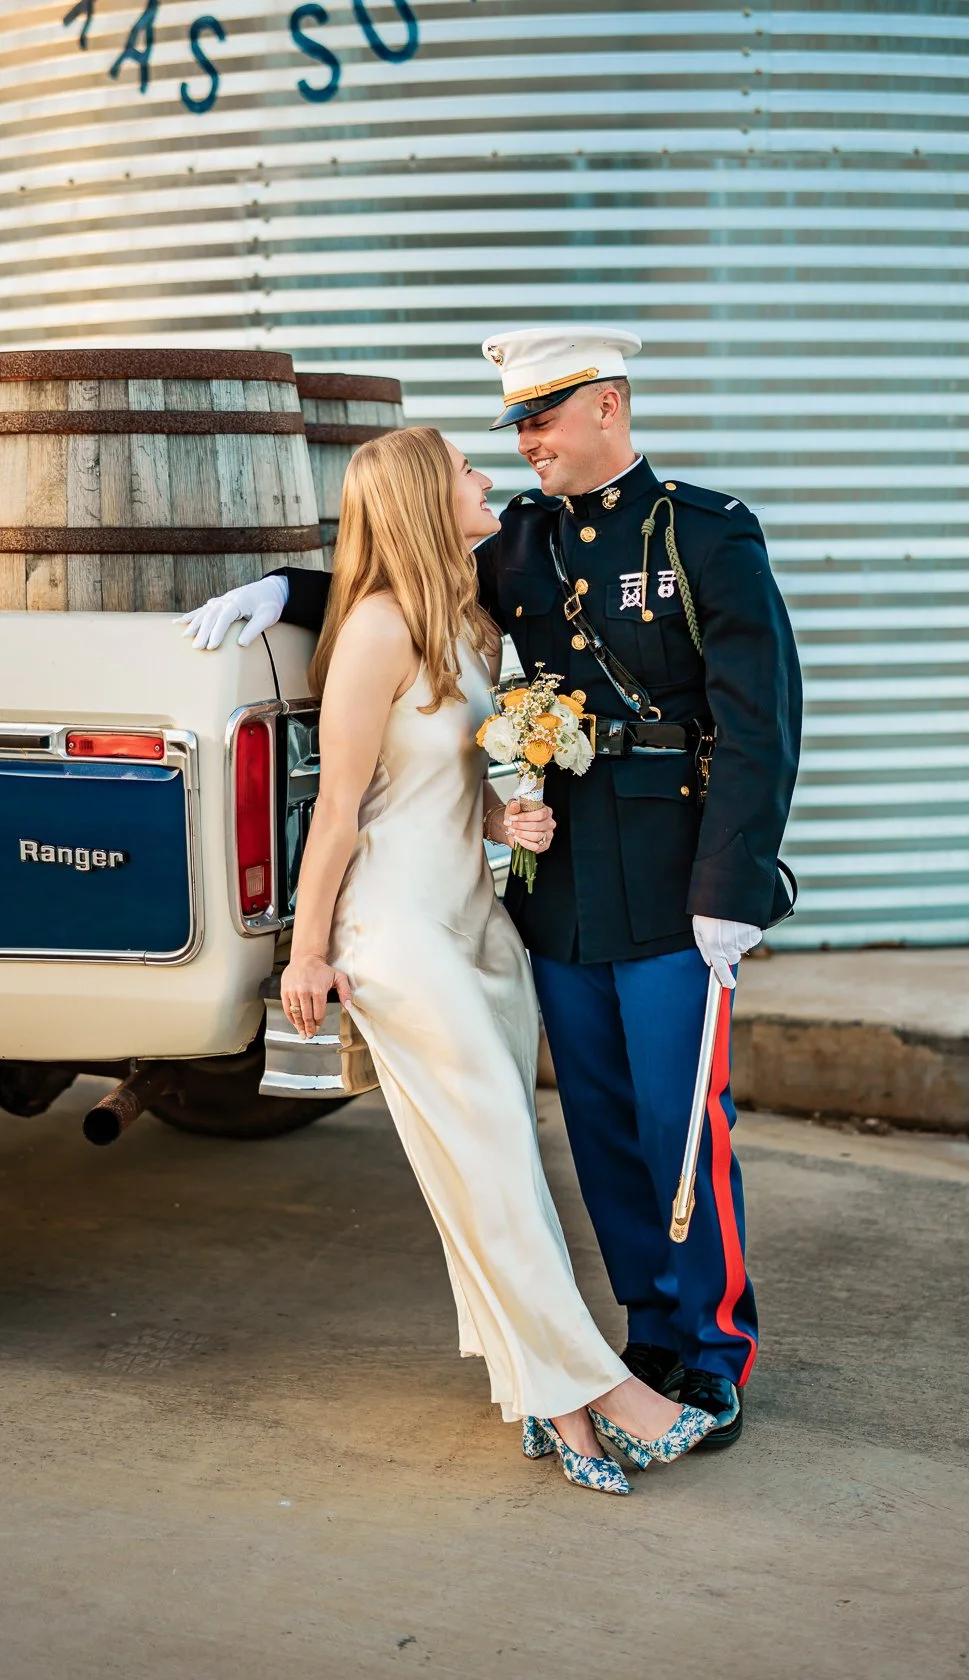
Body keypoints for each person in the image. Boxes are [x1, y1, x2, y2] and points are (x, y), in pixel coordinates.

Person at [181, 327, 802, 1451]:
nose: (523, 444)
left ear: (608, 407)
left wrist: (734, 886)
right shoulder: (520, 544)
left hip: (674, 882)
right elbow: (401, 582)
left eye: (542, 420)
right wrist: (288, 590)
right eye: (513, 426)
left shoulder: (706, 536)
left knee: (680, 1122)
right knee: (604, 1126)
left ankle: (713, 1355)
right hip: (558, 884)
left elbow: (761, 723)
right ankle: (646, 1336)